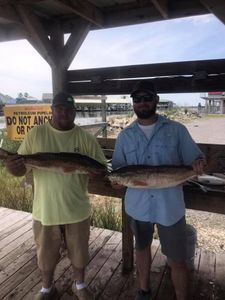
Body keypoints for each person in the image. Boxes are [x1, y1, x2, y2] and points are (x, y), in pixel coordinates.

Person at [5, 92, 107, 300]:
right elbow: (19, 171)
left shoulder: (85, 138)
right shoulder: (36, 134)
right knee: (45, 254)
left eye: (69, 109)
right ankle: (46, 289)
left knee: (79, 253)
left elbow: (101, 170)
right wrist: (12, 166)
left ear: (75, 112)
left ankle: (79, 285)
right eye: (60, 108)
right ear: (51, 110)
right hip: (45, 208)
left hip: (76, 208)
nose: (64, 113)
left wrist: (98, 173)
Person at [111, 80, 205, 300]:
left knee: (177, 259)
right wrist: (116, 181)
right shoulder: (125, 136)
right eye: (137, 99)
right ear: (133, 103)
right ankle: (144, 290)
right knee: (141, 249)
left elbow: (195, 158)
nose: (142, 103)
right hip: (137, 208)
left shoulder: (177, 130)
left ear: (156, 100)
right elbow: (118, 170)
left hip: (169, 207)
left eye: (147, 98)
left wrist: (199, 163)